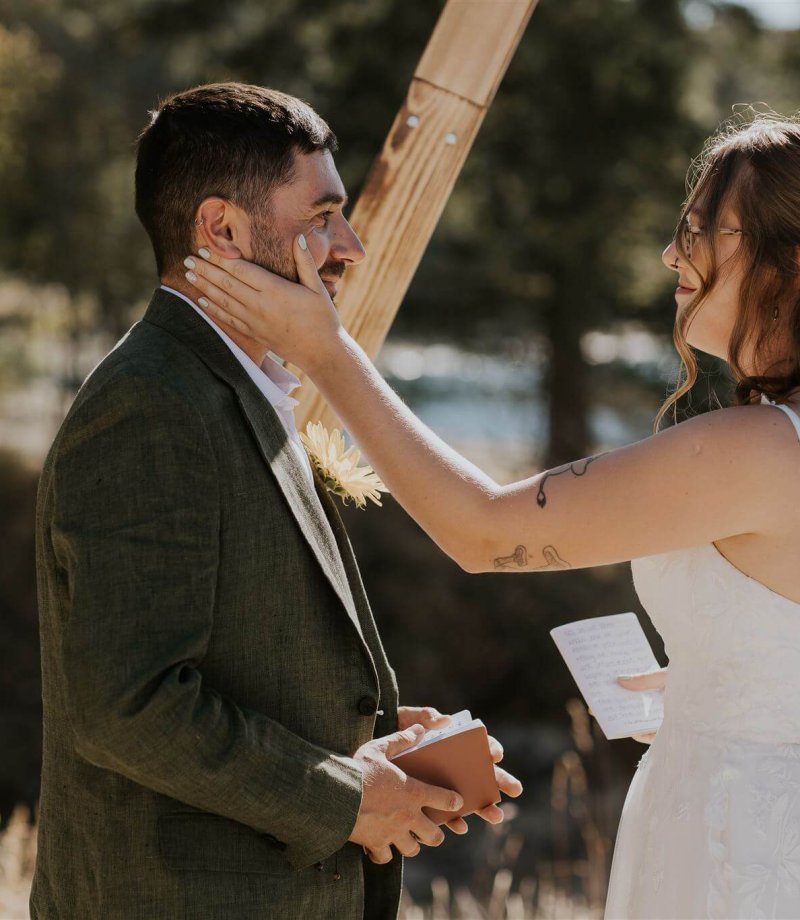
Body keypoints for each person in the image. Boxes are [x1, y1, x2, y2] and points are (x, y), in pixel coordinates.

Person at [185, 112, 800, 919]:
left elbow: (483, 529)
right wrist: (736, 684)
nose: (669, 255)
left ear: (788, 261)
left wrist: (326, 352)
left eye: (699, 231)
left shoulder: (753, 449)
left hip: (737, 842)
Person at [32, 82, 521, 920]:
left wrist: (371, 738)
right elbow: (127, 704)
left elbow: (235, 658)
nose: (350, 246)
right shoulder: (150, 406)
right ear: (220, 229)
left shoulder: (235, 386)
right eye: (322, 216)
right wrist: (349, 795)